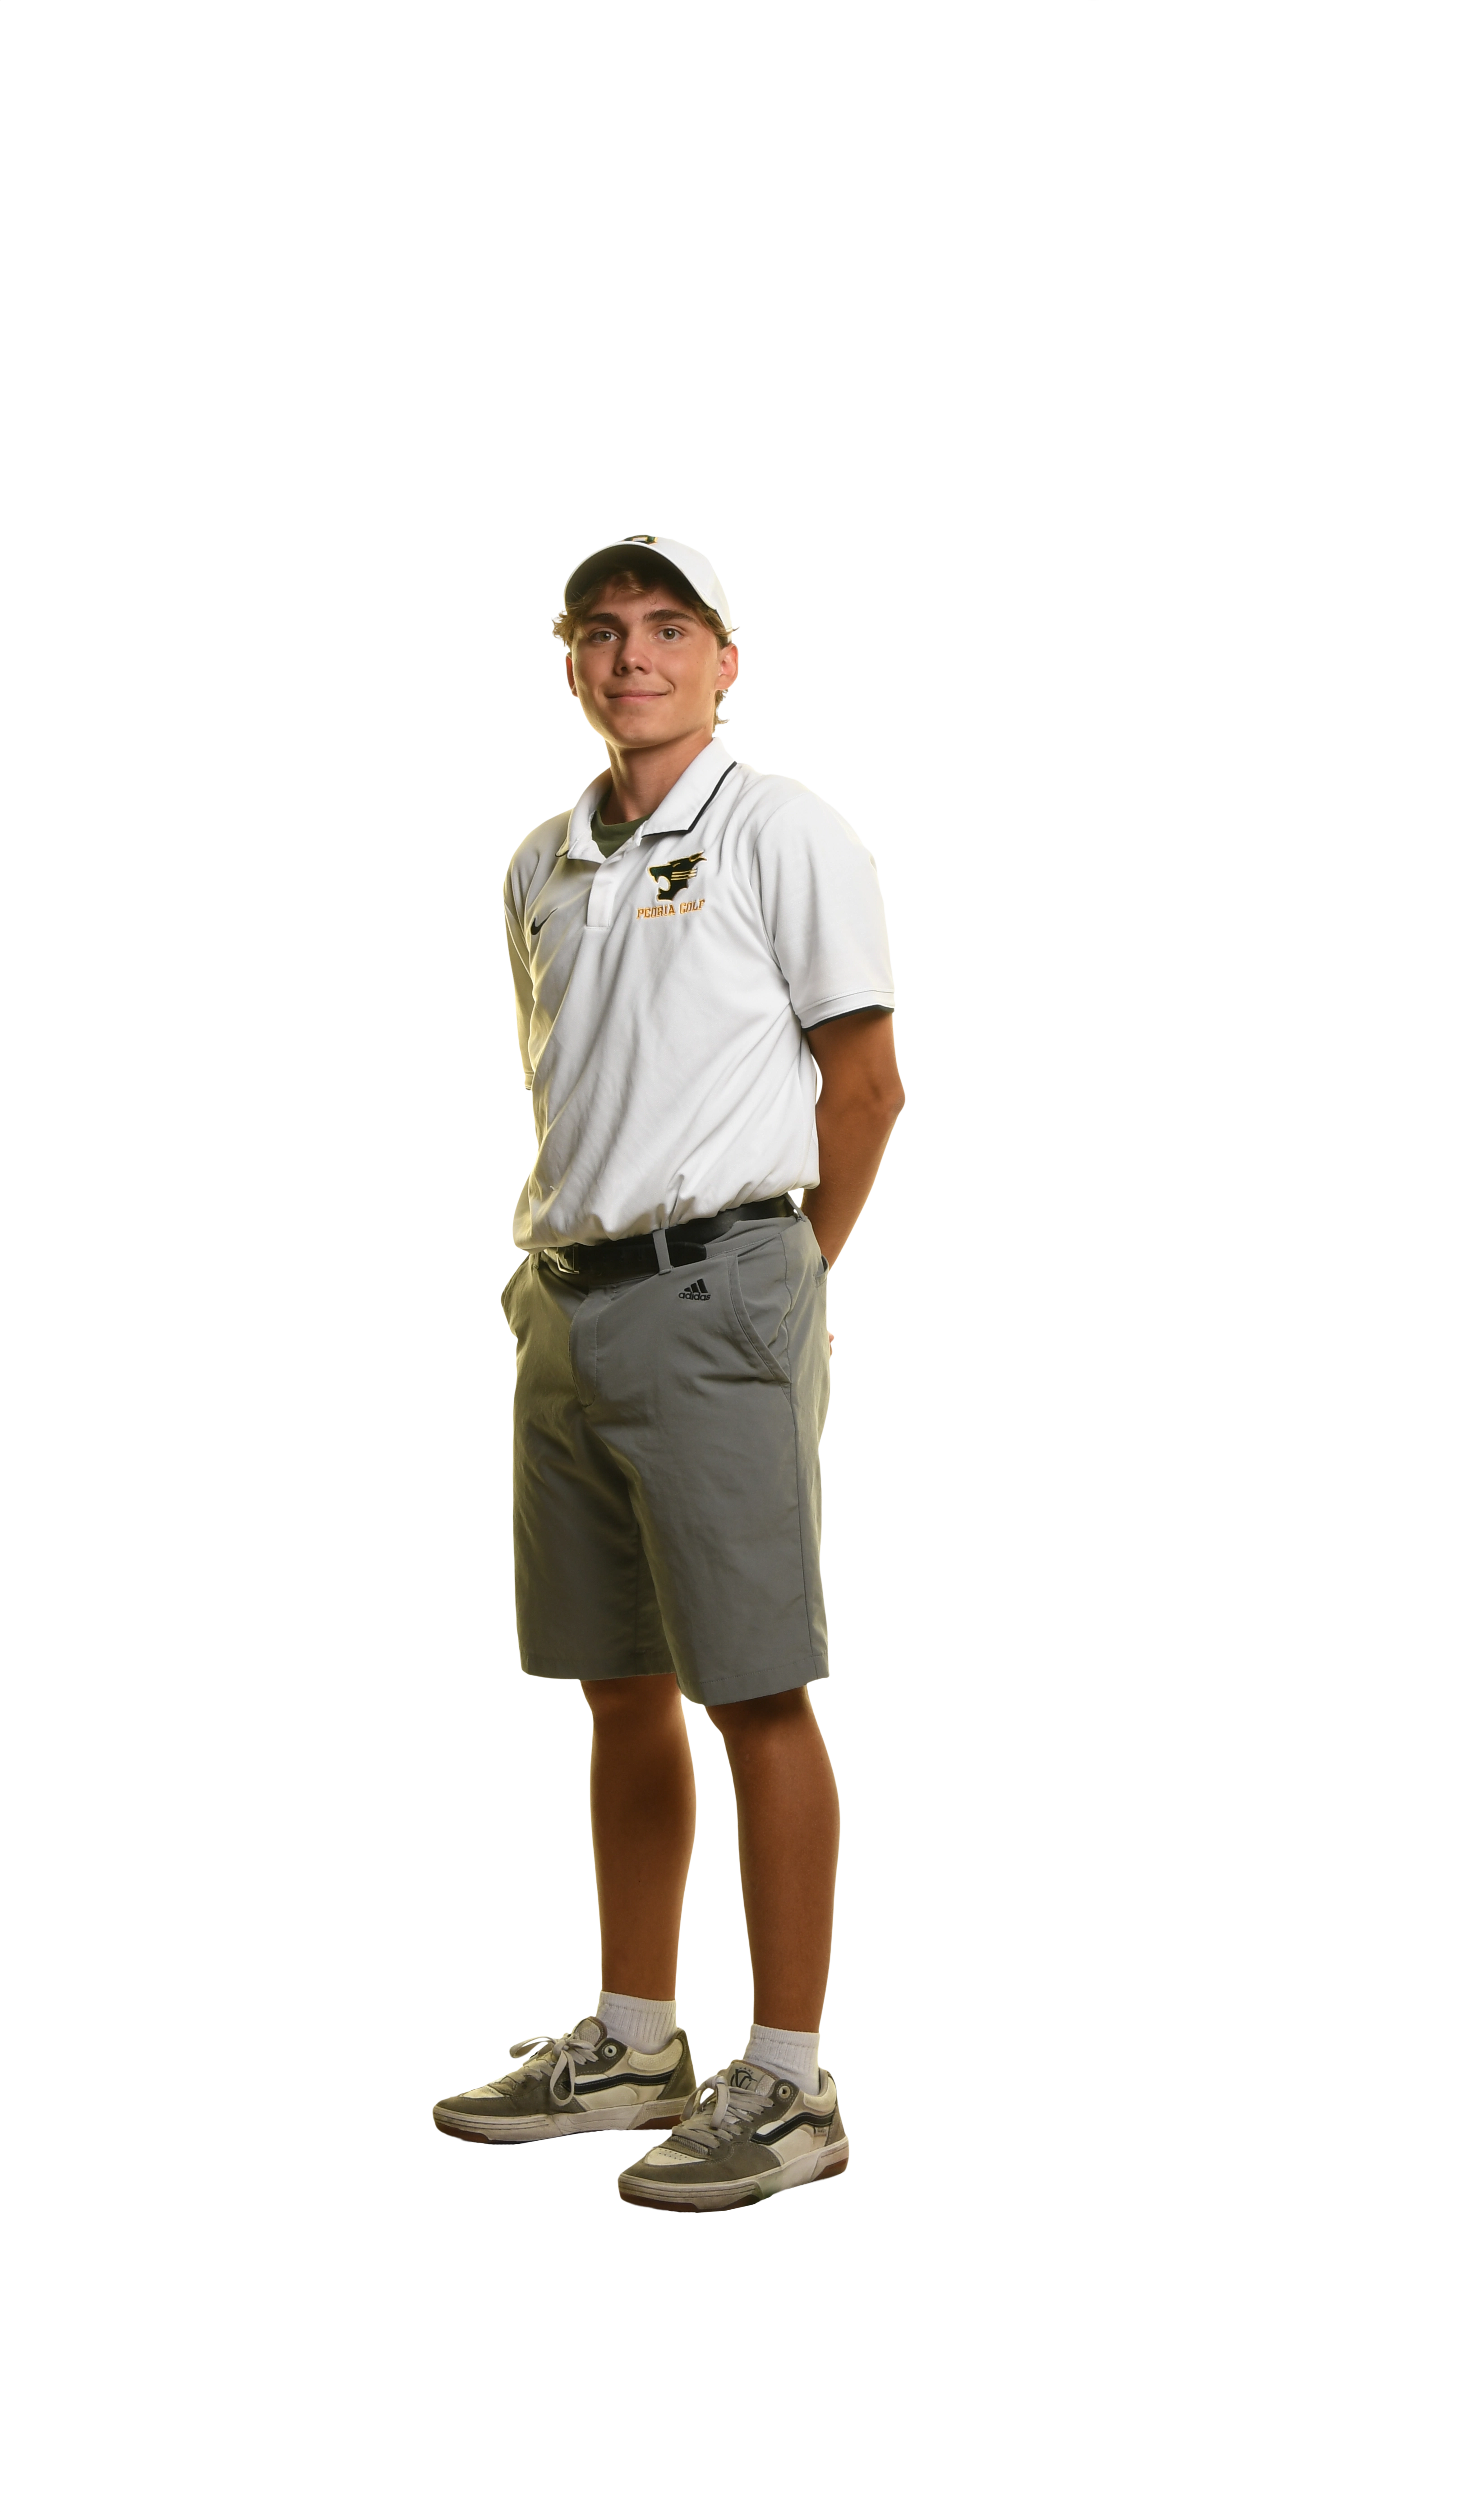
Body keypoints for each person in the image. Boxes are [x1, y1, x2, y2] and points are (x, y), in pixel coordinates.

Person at [430, 533, 905, 2210]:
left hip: (720, 1289)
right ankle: (639, 2043)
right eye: (603, 629)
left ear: (725, 658)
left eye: (669, 626)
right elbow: (578, 1084)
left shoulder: (782, 830)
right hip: (570, 1303)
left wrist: (788, 1283)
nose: (634, 655)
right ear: (569, 658)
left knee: (754, 1686)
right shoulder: (541, 863)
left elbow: (866, 1086)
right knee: (615, 1683)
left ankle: (786, 2085)